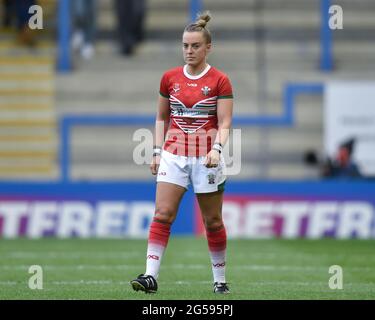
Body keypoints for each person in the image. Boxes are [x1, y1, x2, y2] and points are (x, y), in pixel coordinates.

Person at [130, 11, 234, 295]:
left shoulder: (220, 80)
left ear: (208, 47)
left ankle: (220, 279)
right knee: (163, 213)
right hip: (173, 154)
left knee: (212, 221)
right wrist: (155, 151)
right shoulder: (169, 78)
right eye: (185, 45)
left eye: (195, 46)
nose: (189, 51)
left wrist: (216, 149)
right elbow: (162, 117)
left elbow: (224, 121)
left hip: (206, 157)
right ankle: (150, 276)